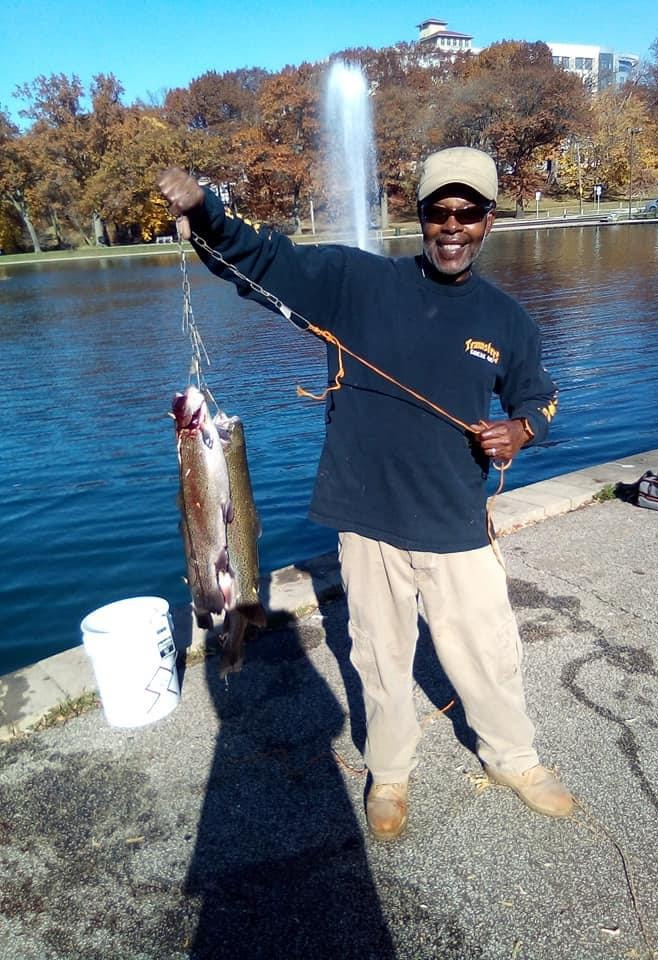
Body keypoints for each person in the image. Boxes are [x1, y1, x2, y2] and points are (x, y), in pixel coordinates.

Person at [158, 146, 572, 841]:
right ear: (419, 217)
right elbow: (258, 260)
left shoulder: (508, 321)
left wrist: (522, 430)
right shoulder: (354, 281)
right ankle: (390, 770)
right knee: (379, 656)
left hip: (455, 521)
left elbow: (541, 397)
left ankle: (513, 758)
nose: (452, 226)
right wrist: (206, 212)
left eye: (468, 213)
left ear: (489, 221)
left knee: (488, 651)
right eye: (438, 211)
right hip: (367, 516)